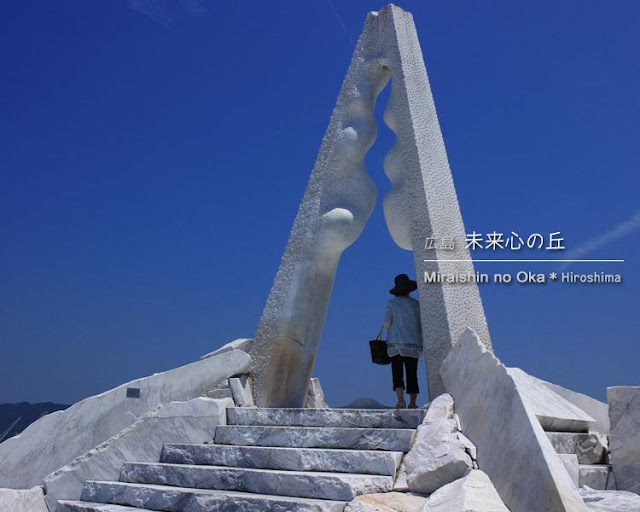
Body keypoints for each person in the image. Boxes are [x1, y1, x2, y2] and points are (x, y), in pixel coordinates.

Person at [382, 273, 422, 409]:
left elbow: (386, 323)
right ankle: (413, 402)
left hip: (395, 343)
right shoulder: (416, 304)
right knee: (412, 373)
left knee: (397, 373)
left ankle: (401, 401)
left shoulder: (392, 303)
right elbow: (420, 324)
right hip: (413, 343)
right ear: (409, 289)